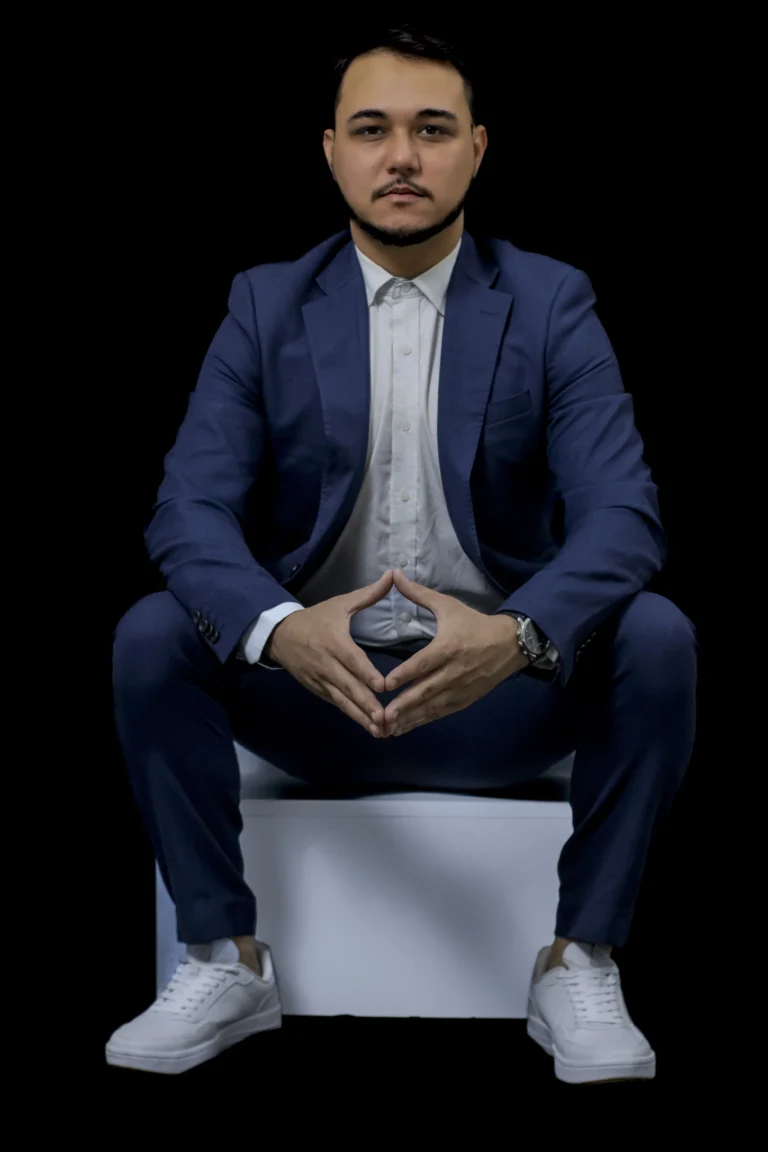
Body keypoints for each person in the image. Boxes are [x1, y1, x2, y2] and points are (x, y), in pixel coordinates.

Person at [107, 24, 697, 1083]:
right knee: (154, 634)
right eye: (372, 129)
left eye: (432, 130)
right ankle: (224, 956)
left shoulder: (552, 301)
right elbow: (187, 509)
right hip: (313, 698)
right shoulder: (265, 303)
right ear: (331, 150)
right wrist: (284, 631)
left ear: (477, 148)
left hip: (498, 701)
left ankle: (578, 957)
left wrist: (513, 636)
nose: (402, 158)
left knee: (657, 637)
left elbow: (625, 516)